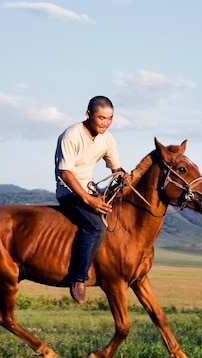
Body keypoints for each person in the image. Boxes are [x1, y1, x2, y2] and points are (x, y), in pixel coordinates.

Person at [54, 96, 131, 306]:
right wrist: (89, 200)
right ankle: (78, 278)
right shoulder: (71, 135)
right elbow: (65, 172)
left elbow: (115, 169)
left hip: (91, 188)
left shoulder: (108, 139)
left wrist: (123, 175)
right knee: (95, 227)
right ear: (89, 115)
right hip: (69, 192)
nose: (105, 122)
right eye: (101, 118)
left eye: (110, 118)